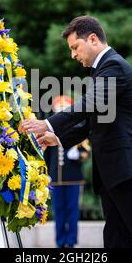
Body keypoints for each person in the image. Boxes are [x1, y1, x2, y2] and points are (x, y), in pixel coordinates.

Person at [21, 15, 132, 248]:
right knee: (115, 238)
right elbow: (95, 120)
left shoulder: (114, 66)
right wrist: (59, 138)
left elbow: (91, 103)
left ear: (92, 39)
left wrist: (49, 123)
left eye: (75, 47)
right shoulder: (100, 70)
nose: (73, 54)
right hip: (115, 170)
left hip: (128, 167)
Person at [44, 95, 90, 248]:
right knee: (58, 211)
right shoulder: (50, 130)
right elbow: (46, 156)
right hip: (55, 178)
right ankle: (60, 241)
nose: (60, 110)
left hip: (73, 177)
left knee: (72, 210)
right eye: (58, 108)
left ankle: (71, 241)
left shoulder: (78, 127)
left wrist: (78, 156)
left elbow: (85, 152)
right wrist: (46, 174)